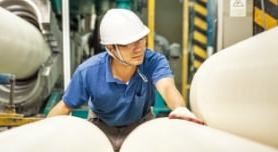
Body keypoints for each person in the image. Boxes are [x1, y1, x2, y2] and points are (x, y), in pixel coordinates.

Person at [47, 8, 202, 151]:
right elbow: (65, 106)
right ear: (110, 48)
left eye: (142, 39)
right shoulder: (89, 71)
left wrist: (180, 108)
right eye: (129, 44)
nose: (139, 48)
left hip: (141, 125)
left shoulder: (153, 61)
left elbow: (167, 87)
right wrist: (44, 134)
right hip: (101, 128)